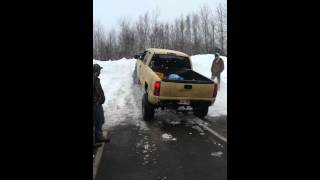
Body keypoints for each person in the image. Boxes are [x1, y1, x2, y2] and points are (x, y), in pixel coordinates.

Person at [93, 64, 109, 145]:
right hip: (95, 105)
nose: (100, 72)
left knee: (100, 120)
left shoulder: (96, 79)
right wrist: (96, 101)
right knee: (95, 122)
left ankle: (98, 137)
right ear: (96, 71)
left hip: (98, 105)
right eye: (99, 70)